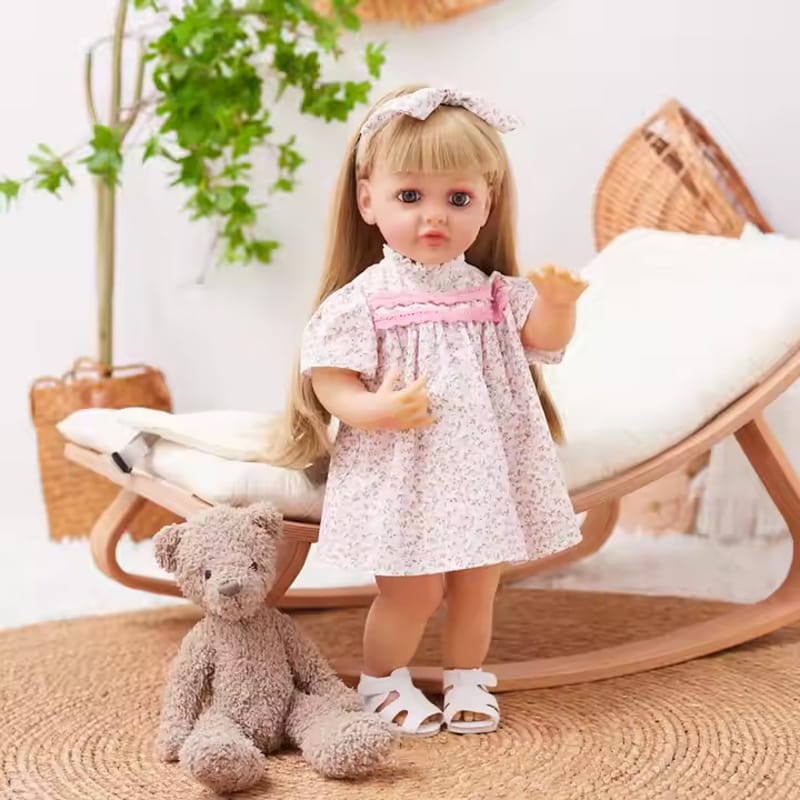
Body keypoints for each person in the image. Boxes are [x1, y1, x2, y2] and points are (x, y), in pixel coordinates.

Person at [269, 85, 588, 736]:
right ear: (368, 201)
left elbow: (544, 342)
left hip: (481, 474)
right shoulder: (363, 302)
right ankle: (383, 681)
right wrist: (373, 409)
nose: (434, 216)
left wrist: (558, 305)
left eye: (458, 198)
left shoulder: (494, 296)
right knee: (412, 590)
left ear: (487, 204)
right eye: (410, 196)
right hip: (402, 475)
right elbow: (331, 382)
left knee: (476, 585)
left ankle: (468, 676)